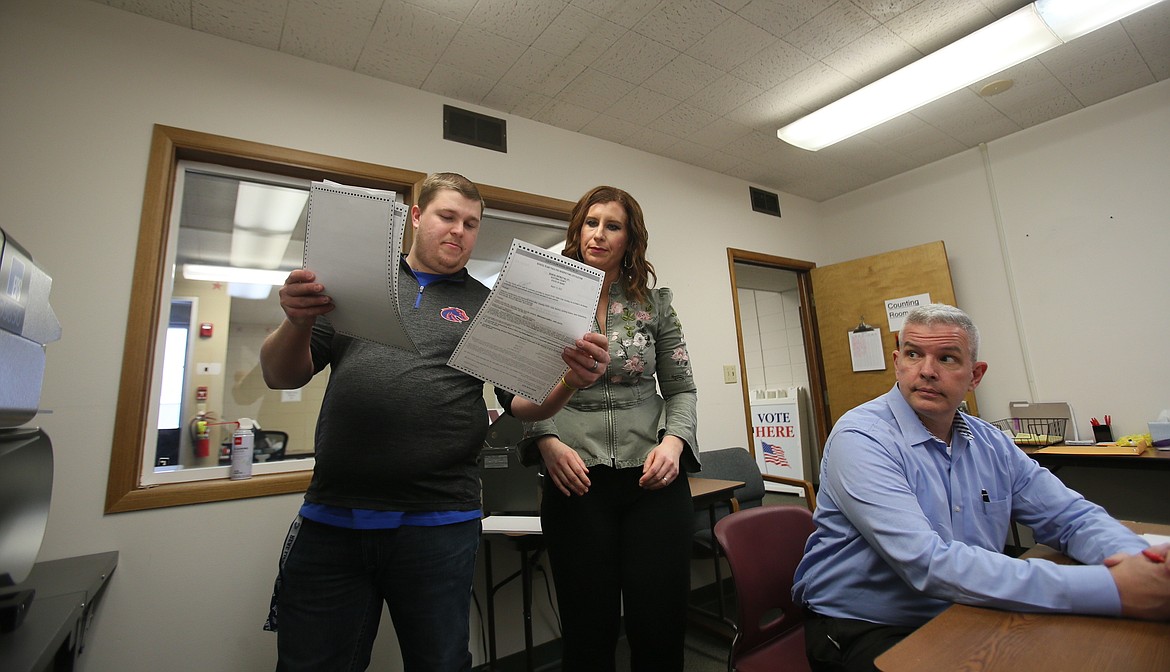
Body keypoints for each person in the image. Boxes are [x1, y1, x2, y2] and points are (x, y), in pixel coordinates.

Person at [259, 172, 609, 672]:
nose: (460, 231)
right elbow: (279, 374)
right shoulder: (355, 283)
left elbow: (523, 405)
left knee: (440, 662)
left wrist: (570, 382)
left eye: (471, 224)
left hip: (438, 523)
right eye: (448, 216)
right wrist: (297, 321)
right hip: (335, 518)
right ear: (418, 217)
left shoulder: (486, 305)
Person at [792, 303, 1170, 672]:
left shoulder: (992, 442)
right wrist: (1113, 589)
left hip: (962, 605)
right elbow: (928, 563)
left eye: (947, 359)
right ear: (897, 362)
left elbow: (1069, 517)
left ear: (975, 375)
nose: (925, 371)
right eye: (913, 354)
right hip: (864, 623)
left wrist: (1140, 563)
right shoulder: (861, 438)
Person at [502, 185, 700, 672]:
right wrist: (544, 440)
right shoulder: (543, 300)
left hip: (653, 479)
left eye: (613, 226)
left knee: (658, 625)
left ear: (629, 240)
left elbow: (681, 389)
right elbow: (515, 386)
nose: (599, 233)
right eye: (591, 222)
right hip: (577, 480)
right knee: (588, 629)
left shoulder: (654, 305)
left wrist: (674, 443)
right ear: (577, 229)